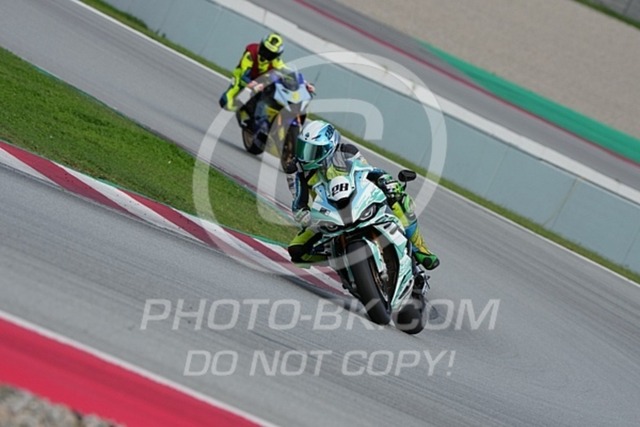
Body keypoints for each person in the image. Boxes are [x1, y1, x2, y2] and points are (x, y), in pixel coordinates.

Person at [287, 119, 440, 272]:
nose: (305, 156)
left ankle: (420, 250)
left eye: (312, 150)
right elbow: (298, 204)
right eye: (303, 148)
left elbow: (369, 171)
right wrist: (307, 217)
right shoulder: (297, 170)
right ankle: (341, 261)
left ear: (328, 146)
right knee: (297, 250)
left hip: (359, 201)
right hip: (328, 216)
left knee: (399, 198)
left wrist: (387, 180)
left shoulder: (347, 152)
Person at [219, 32, 314, 138]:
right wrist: (252, 84)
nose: (266, 54)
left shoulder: (275, 60)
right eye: (264, 50)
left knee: (274, 90)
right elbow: (244, 74)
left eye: (270, 54)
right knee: (225, 101)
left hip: (262, 79)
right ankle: (243, 112)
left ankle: (271, 117)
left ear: (276, 55)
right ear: (261, 45)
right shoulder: (251, 54)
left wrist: (304, 83)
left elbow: (286, 70)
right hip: (243, 78)